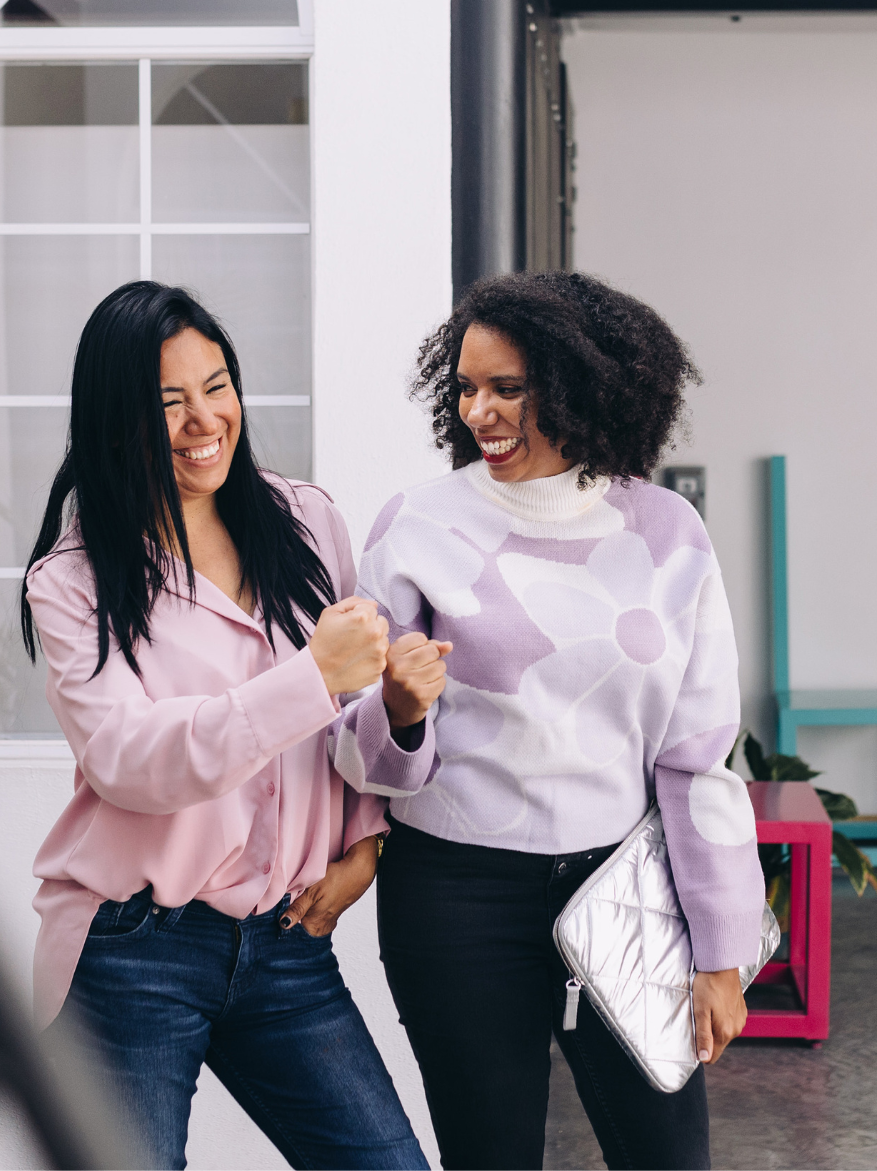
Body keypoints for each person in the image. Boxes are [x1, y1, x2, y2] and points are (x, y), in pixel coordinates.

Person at [354, 271, 767, 1171]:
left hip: (622, 888)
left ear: (581, 385)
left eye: (508, 388)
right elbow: (366, 760)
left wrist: (722, 947)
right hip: (455, 899)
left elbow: (699, 761)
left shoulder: (669, 533)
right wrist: (400, 711)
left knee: (668, 1158)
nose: (480, 413)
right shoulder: (416, 526)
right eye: (465, 387)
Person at [21, 281, 433, 1171]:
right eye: (166, 402)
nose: (202, 419)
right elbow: (130, 761)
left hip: (284, 944)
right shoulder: (71, 583)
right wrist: (311, 676)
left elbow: (351, 716)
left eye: (216, 386)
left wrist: (367, 840)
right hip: (134, 952)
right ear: (112, 417)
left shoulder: (307, 522)